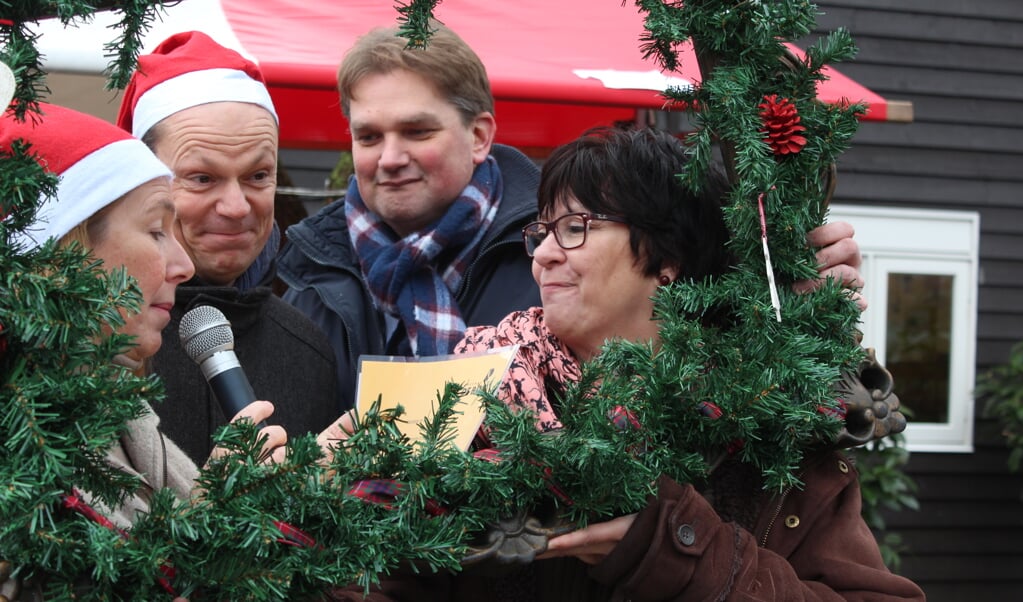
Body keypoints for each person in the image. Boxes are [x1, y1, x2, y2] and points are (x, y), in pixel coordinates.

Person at [327, 127, 924, 601]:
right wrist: (332, 530)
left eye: (575, 228)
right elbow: (391, 580)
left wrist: (676, 551)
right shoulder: (470, 392)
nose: (543, 257)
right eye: (542, 232)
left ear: (666, 259)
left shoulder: (764, 417)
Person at [277, 24, 867, 415]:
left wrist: (792, 294)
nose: (390, 157)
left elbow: (715, 333)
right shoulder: (297, 263)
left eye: (416, 130)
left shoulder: (571, 237)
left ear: (480, 134)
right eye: (368, 136)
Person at [0, 103, 286, 600]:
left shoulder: (117, 413)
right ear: (59, 254)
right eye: (156, 230)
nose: (183, 266)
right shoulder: (21, 458)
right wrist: (221, 518)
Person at [115, 31, 339, 465]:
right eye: (202, 178)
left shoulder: (309, 349)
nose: (237, 208)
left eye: (258, 176)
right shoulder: (93, 341)